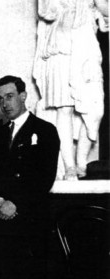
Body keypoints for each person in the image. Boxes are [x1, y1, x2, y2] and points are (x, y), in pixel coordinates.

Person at [0, 75, 60, 279]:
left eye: (9, 96)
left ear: (23, 96)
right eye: (0, 98)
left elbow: (44, 178)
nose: (5, 103)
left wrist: (15, 203)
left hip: (30, 225)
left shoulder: (44, 131)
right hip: (3, 224)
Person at [33, 0, 108, 180]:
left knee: (95, 109)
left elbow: (106, 10)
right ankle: (71, 166)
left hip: (86, 50)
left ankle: (81, 160)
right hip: (61, 49)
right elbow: (46, 12)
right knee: (64, 109)